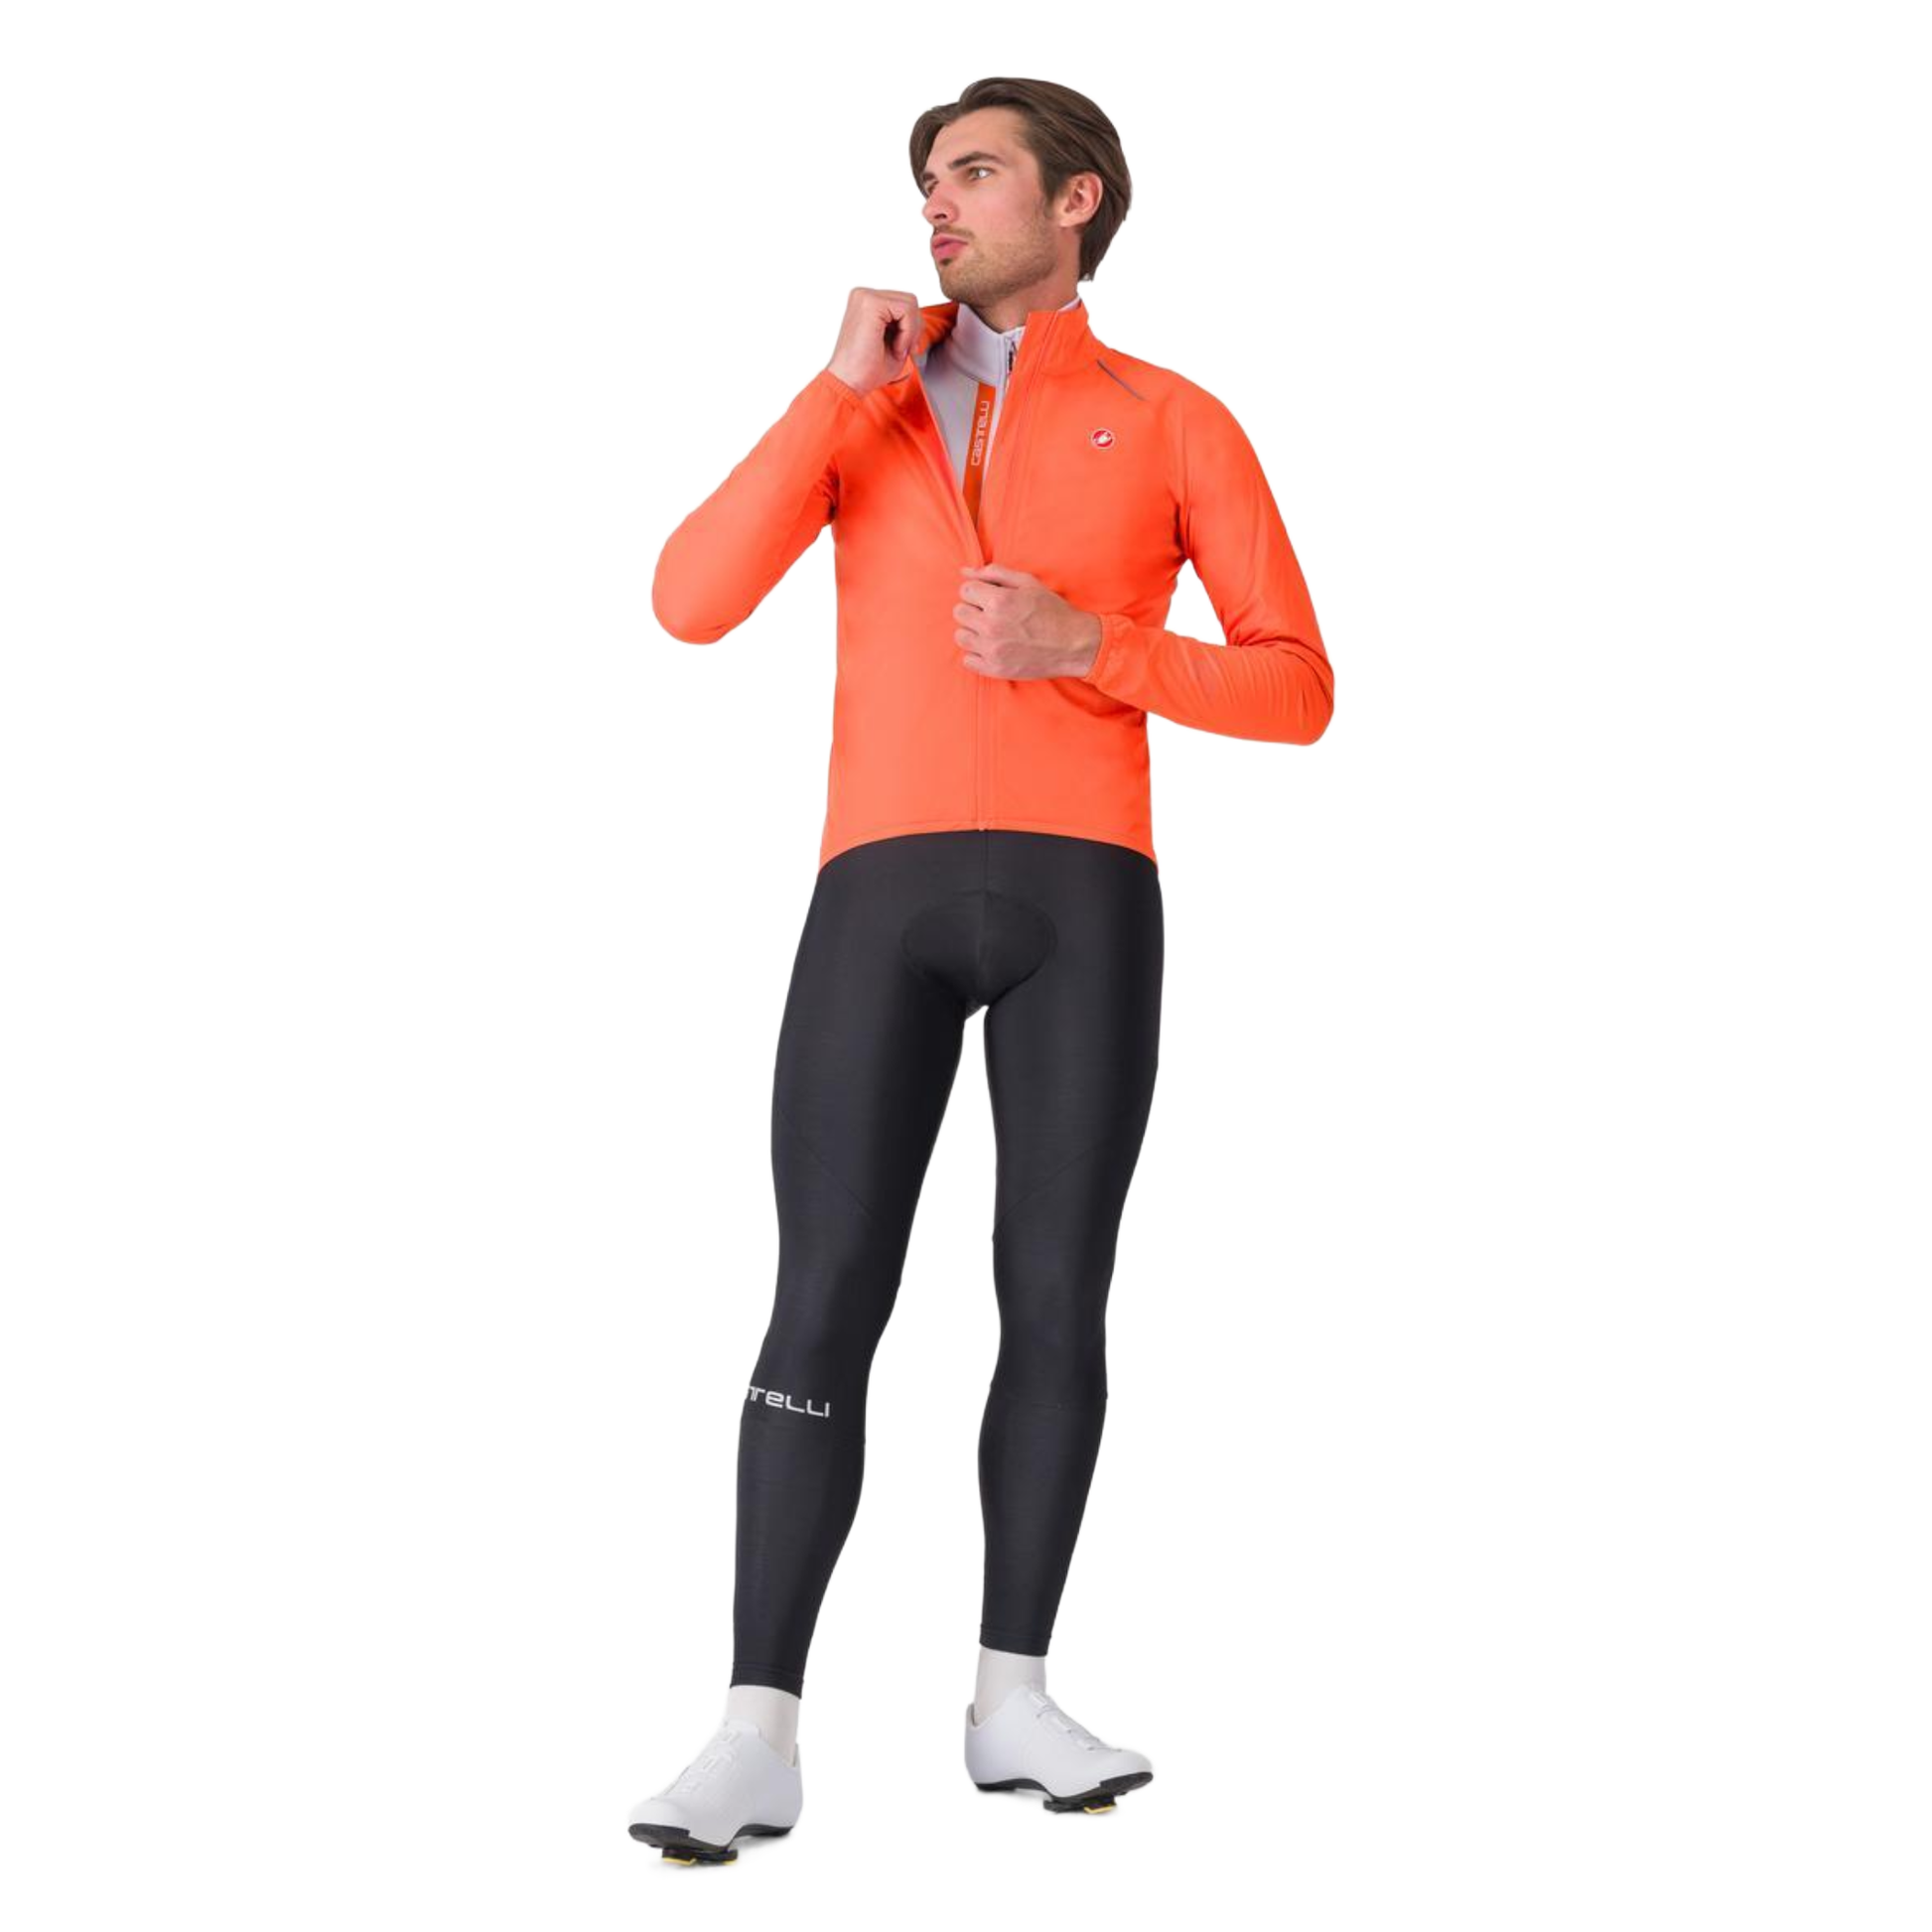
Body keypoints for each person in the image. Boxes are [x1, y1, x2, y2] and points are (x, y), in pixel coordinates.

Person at [627, 75, 1333, 1864]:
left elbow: (1295, 685)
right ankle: (753, 1731)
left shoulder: (1171, 418)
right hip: (875, 891)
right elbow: (688, 600)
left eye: (973, 172)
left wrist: (1091, 641)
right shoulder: (864, 402)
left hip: (1083, 899)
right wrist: (829, 390)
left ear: (1074, 200)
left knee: (1055, 1295)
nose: (934, 202)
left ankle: (1012, 1698)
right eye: (925, 177)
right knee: (822, 1293)